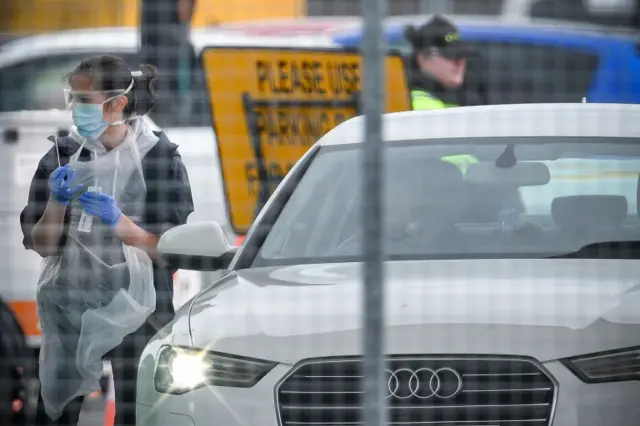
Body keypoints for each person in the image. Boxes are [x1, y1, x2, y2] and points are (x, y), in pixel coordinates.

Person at [19, 54, 194, 425]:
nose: (76, 110)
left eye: (85, 101)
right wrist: (56, 203)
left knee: (139, 409)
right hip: (72, 303)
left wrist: (120, 222)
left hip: (138, 307)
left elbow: (169, 248)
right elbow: (42, 244)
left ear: (117, 103)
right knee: (57, 407)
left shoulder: (159, 159)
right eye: (73, 99)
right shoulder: (63, 155)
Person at [404, 14, 485, 173]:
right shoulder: (408, 104)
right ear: (423, 58)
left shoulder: (458, 98)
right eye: (452, 56)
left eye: (462, 56)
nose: (460, 63)